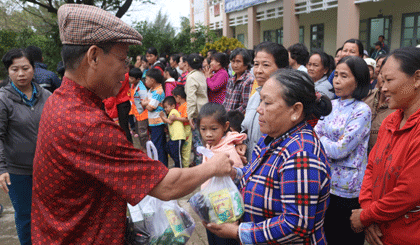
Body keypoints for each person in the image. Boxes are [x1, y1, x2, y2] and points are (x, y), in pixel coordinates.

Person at [31, 4, 234, 244]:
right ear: (93, 56)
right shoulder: (87, 124)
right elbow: (166, 186)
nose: (126, 70)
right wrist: (214, 165)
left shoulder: (60, 100)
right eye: (122, 59)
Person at [205, 68, 332, 244]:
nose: (258, 109)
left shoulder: (301, 154)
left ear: (295, 110)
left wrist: (238, 232)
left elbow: (295, 224)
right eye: (260, 100)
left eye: (267, 103)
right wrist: (234, 173)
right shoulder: (272, 137)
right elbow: (255, 173)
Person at [350, 47, 420, 245]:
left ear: (417, 78)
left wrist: (365, 217)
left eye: (389, 80)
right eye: (382, 80)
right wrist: (368, 215)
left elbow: (409, 192)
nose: (383, 88)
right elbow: (371, 168)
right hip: (378, 230)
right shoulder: (390, 122)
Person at [315, 55, 371, 245]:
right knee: (327, 235)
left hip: (348, 189)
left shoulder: (362, 110)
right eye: (336, 75)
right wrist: (327, 140)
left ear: (359, 80)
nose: (337, 80)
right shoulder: (331, 104)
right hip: (325, 183)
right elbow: (315, 135)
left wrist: (323, 139)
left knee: (344, 238)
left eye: (344, 76)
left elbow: (341, 149)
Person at [0, 48, 51, 245]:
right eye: (15, 69)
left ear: (34, 69)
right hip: (17, 171)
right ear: (9, 72)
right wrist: (2, 168)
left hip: (45, 168)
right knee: (25, 216)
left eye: (25, 68)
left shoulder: (46, 95)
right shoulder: (3, 99)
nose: (20, 74)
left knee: (48, 213)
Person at [197, 102, 246, 245]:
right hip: (211, 207)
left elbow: (238, 181)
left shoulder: (228, 151)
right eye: (203, 129)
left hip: (226, 212)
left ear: (225, 126)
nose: (208, 134)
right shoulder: (211, 146)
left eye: (214, 128)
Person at [242, 41, 289, 161]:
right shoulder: (254, 97)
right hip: (251, 164)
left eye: (266, 65)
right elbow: (245, 128)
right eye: (256, 64)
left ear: (282, 69)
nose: (258, 70)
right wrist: (240, 143)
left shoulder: (286, 101)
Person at [362, 63, 395, 154]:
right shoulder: (365, 96)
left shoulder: (398, 107)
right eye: (382, 74)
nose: (384, 80)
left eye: (389, 78)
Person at [185, 53, 208, 166]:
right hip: (205, 110)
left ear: (188, 64)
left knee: (197, 141)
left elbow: (191, 98)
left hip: (197, 113)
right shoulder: (201, 74)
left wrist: (190, 115)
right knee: (203, 139)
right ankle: (202, 162)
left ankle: (200, 165)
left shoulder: (191, 77)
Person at [142, 68, 167, 166]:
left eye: (147, 79)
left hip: (158, 122)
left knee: (158, 145)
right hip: (153, 121)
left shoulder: (158, 91)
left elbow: (151, 107)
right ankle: (160, 164)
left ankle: (162, 165)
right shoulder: (152, 90)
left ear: (152, 80)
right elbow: (145, 102)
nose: (145, 81)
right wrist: (146, 103)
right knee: (157, 144)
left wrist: (145, 104)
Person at [223, 48, 255, 114]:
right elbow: (226, 100)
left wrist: (231, 115)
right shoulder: (231, 79)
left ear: (246, 64)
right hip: (227, 117)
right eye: (233, 61)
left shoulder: (248, 80)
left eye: (238, 62)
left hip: (238, 119)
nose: (235, 65)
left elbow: (246, 105)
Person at [160, 96, 186, 168]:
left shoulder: (173, 111)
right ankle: (177, 164)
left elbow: (170, 122)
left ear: (173, 106)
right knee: (167, 147)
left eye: (166, 107)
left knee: (177, 155)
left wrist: (163, 117)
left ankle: (180, 169)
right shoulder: (170, 113)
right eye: (164, 107)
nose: (165, 109)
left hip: (178, 137)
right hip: (174, 138)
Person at [170, 86, 191, 168]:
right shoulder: (180, 106)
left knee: (185, 151)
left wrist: (175, 118)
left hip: (186, 129)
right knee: (182, 151)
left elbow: (186, 119)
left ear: (178, 97)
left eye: (175, 97)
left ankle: (186, 169)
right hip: (182, 130)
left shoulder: (185, 105)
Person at [128, 67, 149, 151]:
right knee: (139, 132)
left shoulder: (142, 89)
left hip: (142, 115)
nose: (129, 79)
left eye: (131, 78)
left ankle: (145, 149)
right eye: (129, 77)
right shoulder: (133, 85)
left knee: (142, 133)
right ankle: (143, 148)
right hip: (137, 114)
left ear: (138, 79)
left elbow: (145, 102)